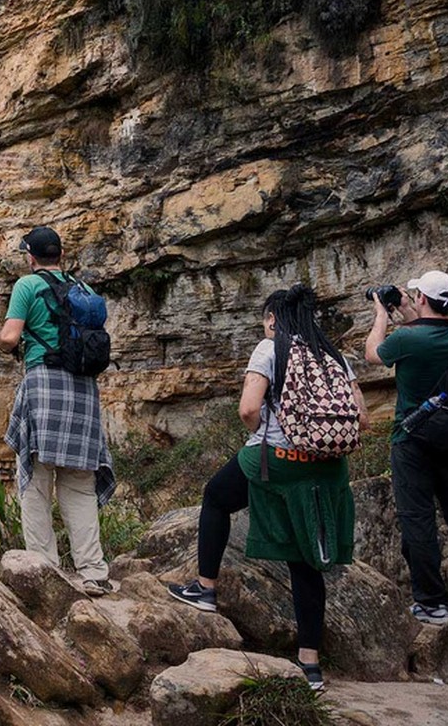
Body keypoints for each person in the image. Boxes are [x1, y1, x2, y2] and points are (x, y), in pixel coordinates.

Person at [168, 285, 368, 690]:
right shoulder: (334, 356)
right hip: (326, 470)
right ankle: (310, 666)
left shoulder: (270, 348)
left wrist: (264, 433)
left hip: (276, 461)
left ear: (273, 318)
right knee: (306, 559)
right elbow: (361, 419)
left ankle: (205, 588)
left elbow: (247, 408)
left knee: (215, 497)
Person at [364, 270, 448, 624]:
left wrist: (381, 315)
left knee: (418, 520)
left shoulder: (406, 341)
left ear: (422, 299)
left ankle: (432, 603)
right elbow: (433, 331)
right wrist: (409, 308)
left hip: (412, 440)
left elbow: (373, 353)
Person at [0, 226, 115, 596]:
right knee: (79, 484)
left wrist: (2, 343)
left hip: (44, 384)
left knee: (35, 480)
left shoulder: (27, 286)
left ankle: (44, 569)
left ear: (31, 257)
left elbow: (10, 338)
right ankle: (93, 570)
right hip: (83, 390)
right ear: (60, 256)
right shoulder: (85, 291)